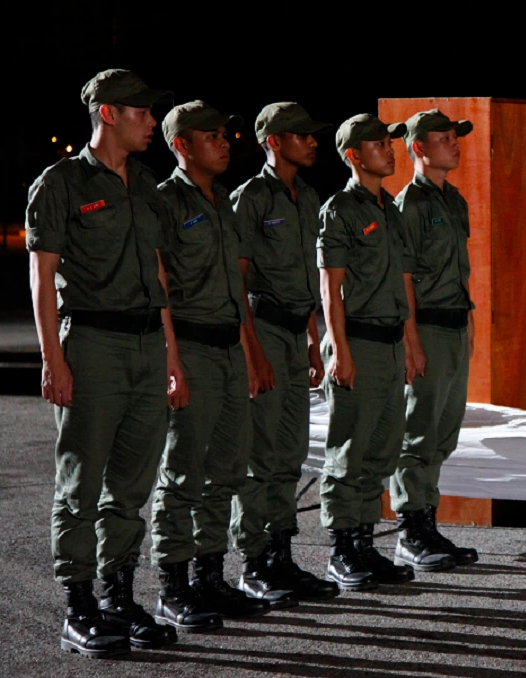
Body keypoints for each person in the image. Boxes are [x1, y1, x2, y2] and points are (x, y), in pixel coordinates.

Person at [26, 68, 179, 657]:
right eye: (142, 113)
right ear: (109, 114)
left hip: (145, 344)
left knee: (132, 484)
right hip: (91, 343)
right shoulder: (60, 183)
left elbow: (160, 276)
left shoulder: (145, 185)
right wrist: (53, 359)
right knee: (81, 483)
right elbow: (41, 278)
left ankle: (119, 595)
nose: (151, 123)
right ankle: (79, 605)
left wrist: (170, 354)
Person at [150, 100, 270, 630]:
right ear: (181, 145)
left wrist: (248, 353)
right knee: (182, 474)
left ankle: (209, 576)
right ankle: (172, 587)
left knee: (225, 472)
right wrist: (171, 359)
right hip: (192, 349)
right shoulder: (165, 203)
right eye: (212, 136)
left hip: (226, 349)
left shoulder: (221, 200)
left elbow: (236, 291)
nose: (225, 143)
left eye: (225, 135)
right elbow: (161, 292)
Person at [230, 102, 339, 605]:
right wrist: (253, 354)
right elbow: (239, 282)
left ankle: (281, 557)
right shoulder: (250, 198)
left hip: (297, 334)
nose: (313, 141)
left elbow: (307, 279)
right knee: (262, 455)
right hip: (265, 330)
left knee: (291, 454)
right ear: (274, 142)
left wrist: (315, 339)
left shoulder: (309, 196)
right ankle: (253, 563)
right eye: (302, 135)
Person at [317, 113, 418, 588]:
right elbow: (330, 288)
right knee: (349, 452)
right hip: (357, 340)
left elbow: (402, 282)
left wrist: (412, 343)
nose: (391, 150)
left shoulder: (389, 210)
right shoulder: (341, 209)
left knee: (381, 448)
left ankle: (363, 543)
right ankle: (340, 551)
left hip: (390, 342)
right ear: (355, 155)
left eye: (391, 143)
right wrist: (339, 350)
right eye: (379, 145)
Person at [392, 109, 479, 571]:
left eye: (455, 137)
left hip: (452, 326)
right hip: (424, 326)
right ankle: (409, 531)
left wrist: (469, 325)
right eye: (444, 138)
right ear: (419, 148)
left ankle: (427, 522)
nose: (455, 143)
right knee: (418, 432)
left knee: (444, 431)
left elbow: (459, 272)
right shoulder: (409, 205)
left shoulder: (453, 201)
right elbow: (402, 277)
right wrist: (411, 342)